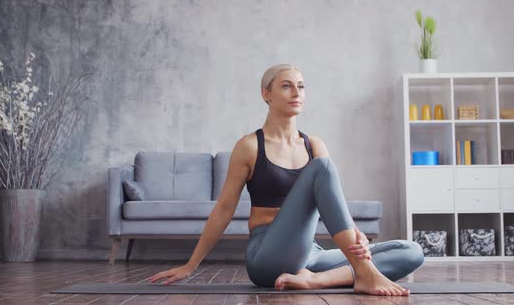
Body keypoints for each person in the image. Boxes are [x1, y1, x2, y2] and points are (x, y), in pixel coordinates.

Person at [148, 64, 424, 296]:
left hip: (311, 255)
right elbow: (223, 209)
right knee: (322, 168)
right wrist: (190, 265)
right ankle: (362, 273)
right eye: (286, 86)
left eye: (301, 86)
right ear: (265, 94)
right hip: (267, 256)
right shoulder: (249, 146)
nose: (296, 93)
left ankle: (318, 280)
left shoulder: (313, 144)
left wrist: (355, 234)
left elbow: (332, 201)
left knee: (411, 251)